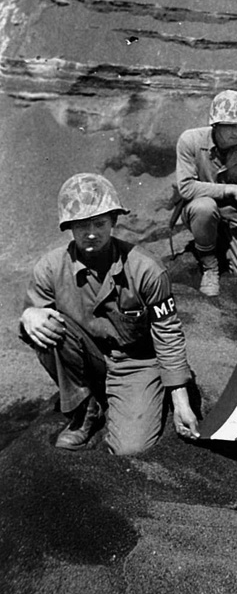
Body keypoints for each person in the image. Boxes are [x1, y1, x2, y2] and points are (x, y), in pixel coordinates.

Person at [20, 173, 199, 455]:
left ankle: (129, 400)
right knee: (46, 325)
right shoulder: (51, 268)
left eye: (100, 223)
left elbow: (168, 333)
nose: (91, 232)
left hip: (136, 363)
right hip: (88, 358)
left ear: (114, 221)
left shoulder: (146, 269)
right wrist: (30, 315)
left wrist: (181, 401)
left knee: (130, 448)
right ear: (69, 227)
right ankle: (85, 410)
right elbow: (34, 319)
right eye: (81, 225)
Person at [176, 89, 237, 297]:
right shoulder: (190, 141)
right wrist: (231, 189)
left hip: (233, 218)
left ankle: (228, 245)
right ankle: (209, 265)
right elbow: (186, 187)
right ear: (215, 125)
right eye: (230, 126)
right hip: (199, 211)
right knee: (204, 207)